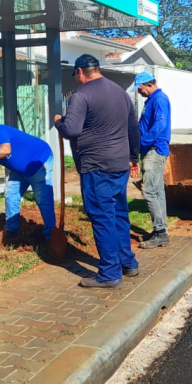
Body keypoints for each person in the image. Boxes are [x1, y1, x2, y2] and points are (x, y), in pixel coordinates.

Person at [54, 54, 141, 288]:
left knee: (102, 217)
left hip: (96, 166)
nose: (77, 80)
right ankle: (128, 263)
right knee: (119, 214)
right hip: (119, 164)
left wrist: (58, 121)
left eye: (77, 76)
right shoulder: (121, 93)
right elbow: (133, 128)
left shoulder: (81, 95)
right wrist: (134, 158)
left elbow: (71, 130)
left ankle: (110, 273)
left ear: (81, 72)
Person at [0, 120, 56, 240]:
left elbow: (6, 150)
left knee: (43, 198)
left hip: (39, 160)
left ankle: (51, 235)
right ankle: (11, 232)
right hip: (20, 171)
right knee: (11, 194)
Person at [133, 71, 172, 249]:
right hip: (153, 150)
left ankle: (160, 233)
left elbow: (160, 124)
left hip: (154, 150)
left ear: (149, 84)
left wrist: (144, 141)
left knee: (148, 191)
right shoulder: (152, 100)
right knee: (157, 191)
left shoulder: (159, 100)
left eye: (140, 88)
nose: (139, 92)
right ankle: (160, 230)